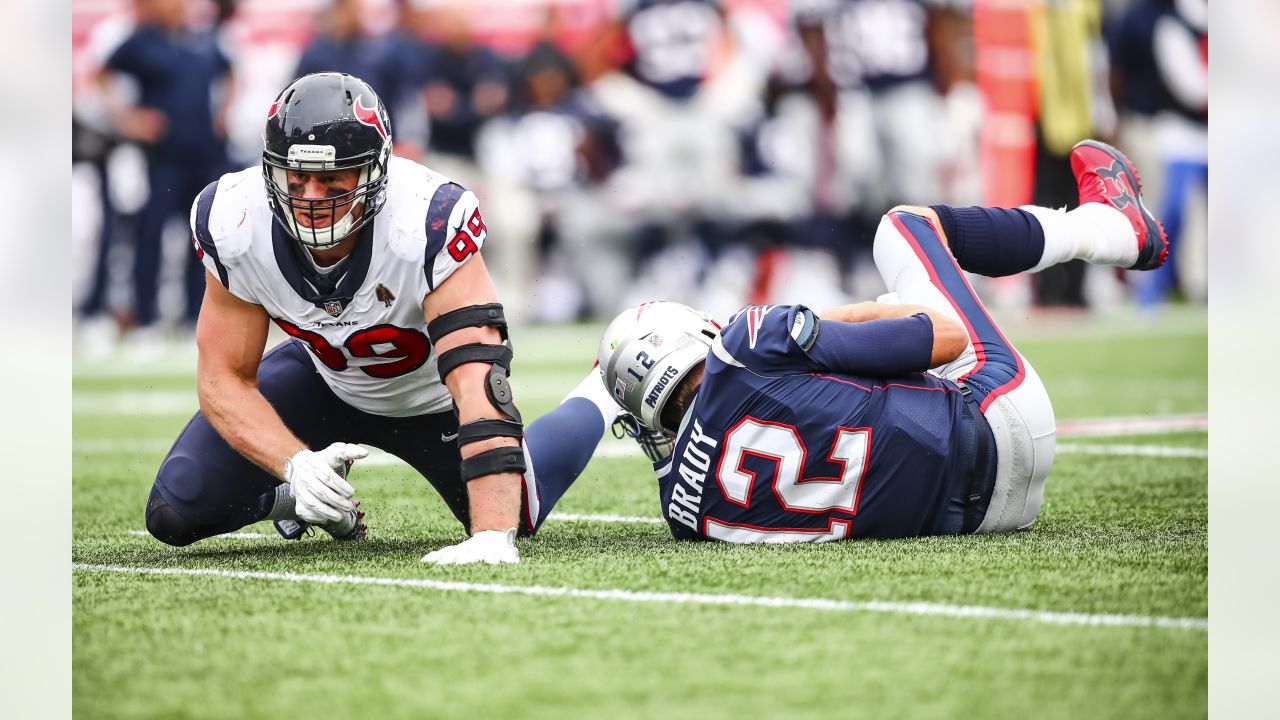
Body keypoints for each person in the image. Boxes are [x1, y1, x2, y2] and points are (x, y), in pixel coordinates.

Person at [144, 73, 625, 565]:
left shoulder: (426, 218)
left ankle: (604, 390)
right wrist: (296, 467)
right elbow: (224, 375)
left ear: (376, 172)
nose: (311, 196)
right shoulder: (234, 220)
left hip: (431, 399)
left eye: (333, 179)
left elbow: (478, 374)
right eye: (297, 178)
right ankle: (299, 503)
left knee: (517, 513)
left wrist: (491, 534)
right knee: (176, 508)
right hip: (324, 379)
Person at [599, 140, 1168, 542]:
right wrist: (861, 317)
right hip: (1003, 418)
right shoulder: (747, 341)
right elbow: (944, 338)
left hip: (983, 519)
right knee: (902, 229)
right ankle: (1114, 229)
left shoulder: (681, 512)